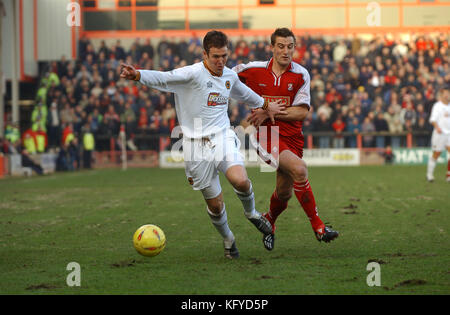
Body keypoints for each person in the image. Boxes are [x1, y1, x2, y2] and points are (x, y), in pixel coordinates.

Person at [120, 30, 287, 259]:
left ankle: (252, 214)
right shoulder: (191, 74)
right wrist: (138, 75)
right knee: (216, 206)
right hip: (194, 146)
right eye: (216, 56)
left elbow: (246, 94)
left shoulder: (229, 76)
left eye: (224, 56)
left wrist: (267, 104)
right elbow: (164, 78)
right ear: (204, 55)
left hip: (222, 137)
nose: (220, 61)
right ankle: (229, 240)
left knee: (240, 179)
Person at [233, 28, 339, 251]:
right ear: (272, 48)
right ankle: (319, 227)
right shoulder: (252, 70)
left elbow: (301, 112)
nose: (285, 51)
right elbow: (223, 76)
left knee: (284, 192)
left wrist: (268, 110)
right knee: (300, 169)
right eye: (280, 46)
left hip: (293, 138)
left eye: (290, 46)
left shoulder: (301, 74)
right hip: (266, 134)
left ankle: (268, 221)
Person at [426, 87, 450, 182]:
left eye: (448, 93)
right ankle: (429, 175)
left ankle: (448, 175)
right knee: (437, 154)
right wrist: (437, 127)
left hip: (449, 133)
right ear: (441, 95)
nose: (448, 95)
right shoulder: (437, 106)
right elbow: (432, 119)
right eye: (446, 93)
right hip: (439, 134)